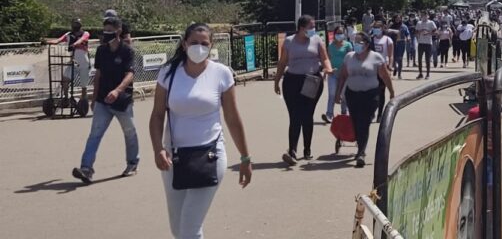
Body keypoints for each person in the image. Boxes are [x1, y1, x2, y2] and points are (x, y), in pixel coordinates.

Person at [149, 23, 251, 239]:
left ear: (211, 45)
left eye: (204, 44)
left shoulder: (221, 73)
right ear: (184, 44)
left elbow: (232, 118)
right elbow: (157, 115)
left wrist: (245, 157)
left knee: (189, 227)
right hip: (173, 157)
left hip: (210, 155)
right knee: (178, 228)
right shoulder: (168, 72)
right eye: (194, 43)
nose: (199, 47)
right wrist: (158, 148)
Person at [72, 17, 138, 184]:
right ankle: (86, 169)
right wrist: (93, 99)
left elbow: (130, 74)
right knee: (94, 135)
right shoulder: (101, 51)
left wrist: (117, 91)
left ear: (118, 31)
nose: (106, 34)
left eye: (110, 31)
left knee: (129, 133)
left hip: (122, 101)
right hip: (102, 100)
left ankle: (132, 163)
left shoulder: (127, 51)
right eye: (104, 31)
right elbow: (98, 75)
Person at [273, 15, 333, 165]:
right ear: (301, 28)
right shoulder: (289, 42)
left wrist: (328, 68)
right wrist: (276, 81)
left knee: (307, 115)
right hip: (292, 81)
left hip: (312, 80)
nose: (313, 30)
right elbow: (282, 62)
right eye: (310, 27)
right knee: (294, 116)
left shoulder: (317, 40)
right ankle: (292, 150)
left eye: (314, 27)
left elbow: (324, 57)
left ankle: (307, 149)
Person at [335, 32, 394, 168]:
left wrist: (391, 91)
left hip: (370, 95)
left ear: (367, 44)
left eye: (359, 42)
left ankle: (361, 152)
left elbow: (385, 76)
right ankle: (360, 146)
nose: (356, 44)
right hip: (352, 94)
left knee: (365, 122)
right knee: (356, 121)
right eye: (355, 41)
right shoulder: (349, 57)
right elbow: (343, 76)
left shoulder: (376, 57)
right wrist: (338, 93)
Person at [48, 18, 91, 104]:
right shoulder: (68, 34)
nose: (76, 26)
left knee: (84, 85)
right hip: (73, 62)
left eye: (77, 24)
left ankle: (83, 102)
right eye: (74, 24)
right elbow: (58, 40)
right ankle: (66, 98)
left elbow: (81, 40)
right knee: (64, 80)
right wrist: (46, 42)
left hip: (83, 62)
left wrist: (74, 45)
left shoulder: (85, 33)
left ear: (80, 25)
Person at [322, 26, 353, 124]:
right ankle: (329, 115)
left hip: (345, 74)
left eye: (341, 33)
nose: (339, 35)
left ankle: (345, 114)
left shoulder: (348, 45)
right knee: (332, 94)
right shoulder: (330, 46)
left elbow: (351, 58)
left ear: (344, 34)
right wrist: (327, 70)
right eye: (338, 33)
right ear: (334, 34)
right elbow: (327, 59)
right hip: (333, 73)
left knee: (344, 95)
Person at [370, 21, 393, 122]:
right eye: (374, 27)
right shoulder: (370, 40)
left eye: (378, 27)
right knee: (372, 92)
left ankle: (380, 113)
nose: (376, 29)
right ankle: (371, 113)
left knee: (381, 92)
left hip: (383, 69)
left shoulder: (387, 40)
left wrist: (390, 66)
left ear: (382, 28)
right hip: (372, 69)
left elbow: (391, 55)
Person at [415, 12, 437, 79]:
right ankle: (420, 73)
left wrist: (428, 33)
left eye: (425, 15)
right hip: (421, 42)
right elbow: (416, 32)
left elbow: (435, 32)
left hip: (428, 43)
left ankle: (427, 74)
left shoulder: (431, 23)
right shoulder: (419, 23)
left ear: (427, 16)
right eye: (422, 15)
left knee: (427, 59)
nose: (424, 17)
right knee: (419, 59)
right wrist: (420, 31)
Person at [391, 15, 410, 79]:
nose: (398, 19)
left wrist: (408, 38)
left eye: (399, 18)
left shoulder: (404, 26)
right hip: (393, 43)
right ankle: (395, 67)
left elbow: (407, 34)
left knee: (400, 59)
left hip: (401, 44)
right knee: (393, 58)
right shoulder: (392, 26)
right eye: (396, 18)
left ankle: (399, 74)